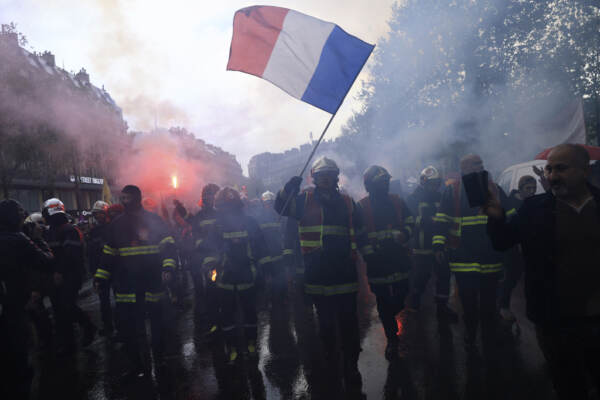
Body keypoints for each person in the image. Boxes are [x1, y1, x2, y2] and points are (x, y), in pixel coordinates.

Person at [484, 144, 600, 399]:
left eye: (561, 168)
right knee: (568, 384)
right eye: (549, 169)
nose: (552, 176)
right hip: (553, 319)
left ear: (584, 171)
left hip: (596, 317)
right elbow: (502, 242)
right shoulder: (534, 208)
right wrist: (495, 217)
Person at [275, 156, 364, 397]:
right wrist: (286, 189)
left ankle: (351, 366)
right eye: (321, 175)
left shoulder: (348, 202)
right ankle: (332, 361)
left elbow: (361, 229)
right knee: (325, 325)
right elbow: (280, 207)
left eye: (329, 175)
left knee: (349, 325)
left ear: (335, 177)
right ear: (314, 179)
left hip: (344, 272)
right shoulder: (303, 200)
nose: (325, 179)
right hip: (318, 274)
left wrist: (367, 255)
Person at [432, 155, 513, 352]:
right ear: (464, 168)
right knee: (468, 303)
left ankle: (489, 336)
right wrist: (438, 245)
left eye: (481, 164)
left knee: (488, 303)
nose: (481, 167)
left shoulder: (493, 188)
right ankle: (471, 333)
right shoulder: (452, 191)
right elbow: (442, 219)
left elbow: (509, 215)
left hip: (490, 257)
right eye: (476, 164)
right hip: (463, 257)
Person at [94, 185, 176, 378]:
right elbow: (109, 254)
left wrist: (168, 268)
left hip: (152, 282)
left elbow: (168, 247)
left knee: (157, 326)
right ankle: (137, 365)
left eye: (127, 198)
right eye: (122, 198)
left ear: (138, 198)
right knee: (129, 329)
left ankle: (160, 360)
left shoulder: (154, 220)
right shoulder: (117, 224)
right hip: (126, 286)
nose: (124, 201)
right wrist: (100, 277)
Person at [204, 187, 271, 363]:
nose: (228, 209)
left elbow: (261, 247)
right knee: (227, 317)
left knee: (249, 315)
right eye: (225, 206)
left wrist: (266, 271)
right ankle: (232, 347)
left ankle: (250, 344)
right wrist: (210, 267)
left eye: (230, 205)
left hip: (247, 276)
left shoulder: (250, 223)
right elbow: (210, 249)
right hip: (225, 278)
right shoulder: (216, 226)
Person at [356, 165, 415, 360]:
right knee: (383, 301)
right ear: (370, 186)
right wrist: (369, 254)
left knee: (401, 294)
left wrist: (405, 234)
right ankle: (392, 340)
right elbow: (358, 235)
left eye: (386, 182)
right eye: (380, 183)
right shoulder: (362, 207)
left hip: (399, 259)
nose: (384, 185)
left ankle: (391, 313)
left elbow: (410, 221)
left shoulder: (397, 201)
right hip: (377, 262)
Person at [0, 199, 54, 399]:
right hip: (14, 307)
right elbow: (46, 262)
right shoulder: (17, 239)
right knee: (19, 359)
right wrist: (39, 240)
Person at [43, 198, 96, 355]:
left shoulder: (69, 230)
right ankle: (67, 343)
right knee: (59, 309)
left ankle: (87, 325)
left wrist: (59, 271)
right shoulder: (49, 231)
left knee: (66, 305)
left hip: (70, 275)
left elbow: (70, 255)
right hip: (56, 275)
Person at [406, 166, 457, 320]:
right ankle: (414, 303)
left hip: (440, 244)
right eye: (431, 183)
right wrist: (431, 220)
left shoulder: (441, 197)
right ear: (423, 182)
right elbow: (412, 219)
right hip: (422, 246)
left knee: (444, 276)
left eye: (436, 183)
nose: (434, 186)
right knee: (422, 276)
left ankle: (442, 308)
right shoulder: (413, 198)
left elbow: (447, 216)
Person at [498, 175, 536, 321]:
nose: (531, 191)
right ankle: (503, 306)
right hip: (512, 249)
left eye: (533, 188)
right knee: (511, 278)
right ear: (520, 189)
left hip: (528, 248)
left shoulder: (532, 203)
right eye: (528, 188)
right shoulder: (510, 203)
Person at [191, 183, 220, 333]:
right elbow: (196, 240)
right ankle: (213, 321)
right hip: (207, 261)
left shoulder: (219, 214)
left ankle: (225, 319)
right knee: (211, 289)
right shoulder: (198, 218)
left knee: (223, 288)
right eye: (206, 196)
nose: (209, 198)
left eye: (211, 195)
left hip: (222, 259)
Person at [88, 200, 114, 336]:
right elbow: (92, 253)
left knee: (120, 299)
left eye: (99, 214)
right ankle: (108, 326)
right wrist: (94, 274)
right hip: (101, 270)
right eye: (95, 214)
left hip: (114, 269)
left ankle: (122, 327)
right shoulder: (94, 231)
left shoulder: (114, 228)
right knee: (104, 301)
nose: (97, 217)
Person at [256, 190, 287, 303]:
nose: (269, 205)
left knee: (281, 280)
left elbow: (284, 234)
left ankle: (282, 300)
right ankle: (270, 302)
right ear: (263, 204)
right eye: (266, 203)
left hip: (279, 254)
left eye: (271, 202)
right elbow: (258, 239)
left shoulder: (280, 216)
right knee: (268, 281)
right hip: (265, 256)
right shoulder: (259, 218)